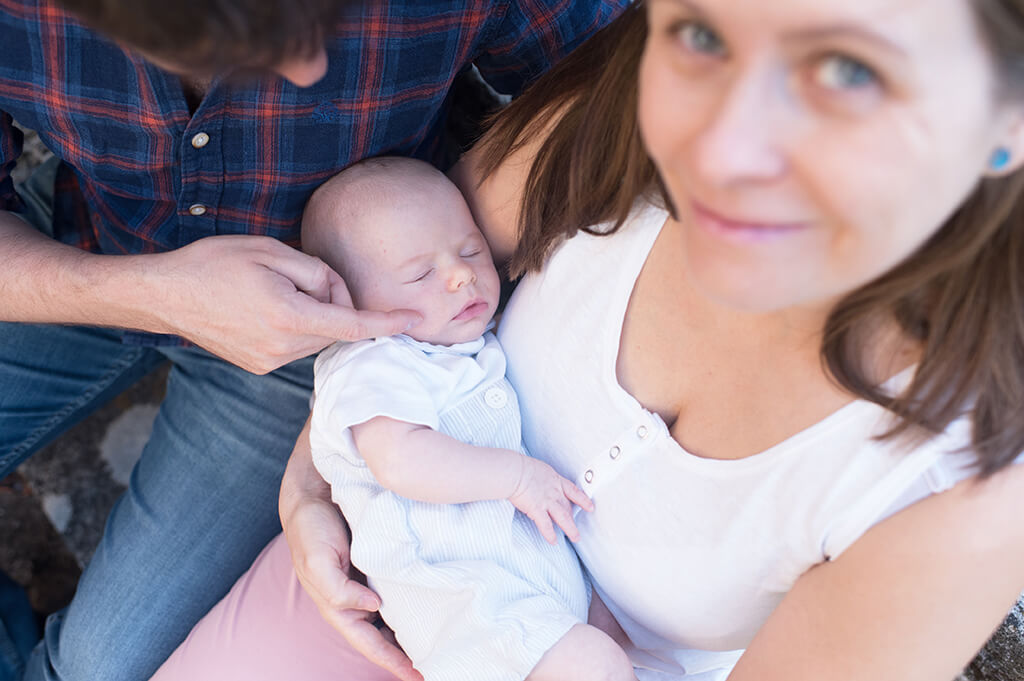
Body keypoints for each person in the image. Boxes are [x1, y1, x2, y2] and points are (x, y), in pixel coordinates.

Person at [153, 1, 1024, 680]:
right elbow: (394, 316)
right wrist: (308, 486)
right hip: (377, 580)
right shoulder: (631, 110)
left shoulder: (955, 490)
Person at [0, 0, 629, 679]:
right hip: (78, 253)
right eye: (246, 43)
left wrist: (313, 470)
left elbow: (612, 93)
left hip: (326, 341)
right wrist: (148, 291)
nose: (311, 66)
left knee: (94, 667)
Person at [297, 156, 633, 681]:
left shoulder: (461, 344)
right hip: (464, 604)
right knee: (595, 663)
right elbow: (401, 461)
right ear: (350, 305)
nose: (460, 275)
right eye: (421, 274)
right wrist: (518, 477)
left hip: (527, 592)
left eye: (471, 249)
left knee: (615, 646)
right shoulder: (372, 363)